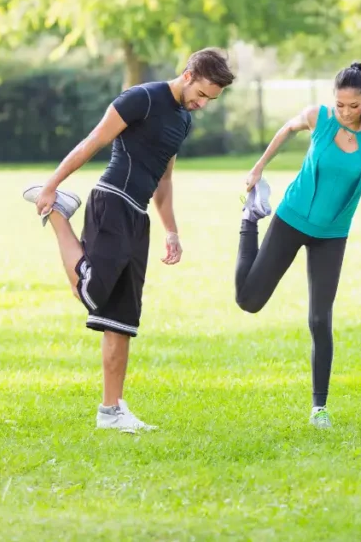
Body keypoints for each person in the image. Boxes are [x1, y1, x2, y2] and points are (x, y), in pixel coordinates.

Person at [22, 48, 235, 432]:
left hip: (137, 216)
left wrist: (171, 229)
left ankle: (111, 411)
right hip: (113, 200)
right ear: (188, 75)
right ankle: (58, 213)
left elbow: (164, 179)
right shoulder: (142, 99)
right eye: (202, 94)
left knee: (120, 319)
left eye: (210, 100)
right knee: (89, 293)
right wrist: (52, 187)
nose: (203, 104)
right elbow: (94, 141)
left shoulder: (183, 121)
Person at [235, 61, 361, 429]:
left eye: (353, 106)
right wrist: (259, 167)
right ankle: (249, 220)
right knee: (249, 301)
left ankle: (319, 408)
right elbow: (286, 129)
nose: (344, 112)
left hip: (333, 234)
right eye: (339, 104)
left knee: (320, 319)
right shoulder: (319, 117)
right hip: (291, 218)